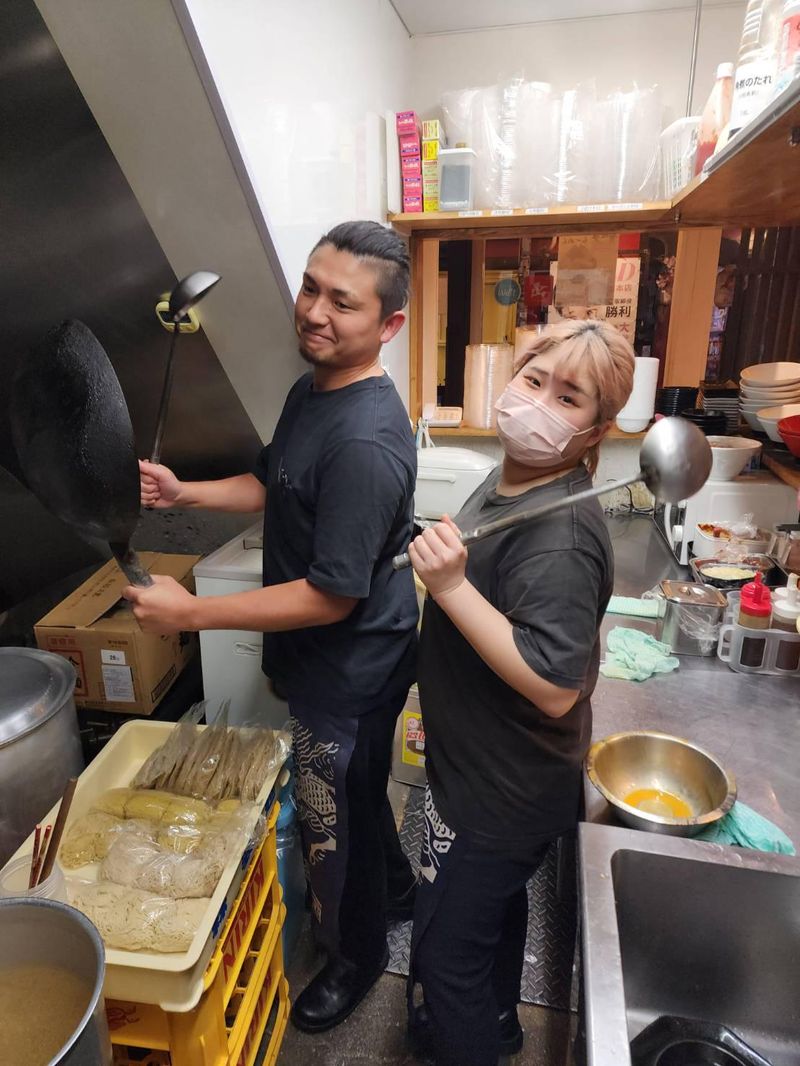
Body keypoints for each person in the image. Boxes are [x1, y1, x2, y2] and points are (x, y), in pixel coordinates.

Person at [124, 220, 419, 1033]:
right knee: (356, 798)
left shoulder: (365, 439)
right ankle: (394, 893)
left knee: (333, 818)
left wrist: (191, 614)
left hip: (351, 667)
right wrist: (186, 492)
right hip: (333, 654)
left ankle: (358, 957)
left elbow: (331, 595)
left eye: (343, 303)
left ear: (388, 325)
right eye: (310, 288)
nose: (315, 312)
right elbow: (271, 483)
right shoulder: (314, 389)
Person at [405, 319, 635, 1066]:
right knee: (491, 924)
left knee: (445, 959)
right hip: (477, 768)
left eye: (568, 398)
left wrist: (448, 586)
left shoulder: (562, 536)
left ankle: (471, 1036)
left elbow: (554, 685)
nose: (537, 403)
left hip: (501, 792)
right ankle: (498, 1026)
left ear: (596, 430)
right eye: (534, 380)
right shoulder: (514, 479)